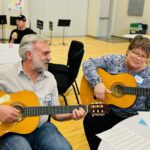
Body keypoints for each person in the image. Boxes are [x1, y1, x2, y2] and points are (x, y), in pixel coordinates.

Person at [0, 34, 85, 150]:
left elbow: (56, 113)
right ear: (29, 55)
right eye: (45, 53)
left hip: (42, 128)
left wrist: (71, 114)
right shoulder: (5, 73)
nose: (50, 58)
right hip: (11, 131)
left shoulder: (50, 79)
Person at [82, 35, 150, 150]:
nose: (138, 58)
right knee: (90, 120)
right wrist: (97, 83)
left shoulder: (148, 75)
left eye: (143, 56)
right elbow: (88, 63)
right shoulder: (115, 60)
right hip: (110, 109)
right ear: (128, 51)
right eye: (136, 53)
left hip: (133, 117)